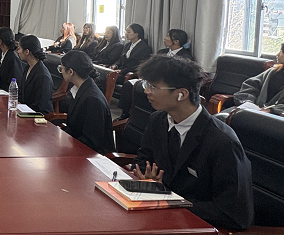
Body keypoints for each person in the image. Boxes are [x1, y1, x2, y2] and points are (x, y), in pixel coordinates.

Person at [132, 55, 253, 230]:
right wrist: (147, 180)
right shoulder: (158, 120)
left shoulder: (222, 142)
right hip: (161, 214)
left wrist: (169, 199)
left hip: (198, 224)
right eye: (146, 85)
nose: (146, 91)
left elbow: (233, 214)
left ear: (181, 94)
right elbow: (143, 160)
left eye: (153, 87)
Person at [116, 28, 195, 121]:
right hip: (152, 80)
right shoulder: (162, 52)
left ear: (176, 41)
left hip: (167, 84)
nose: (165, 39)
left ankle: (149, 117)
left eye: (167, 36)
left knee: (152, 91)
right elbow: (151, 67)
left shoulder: (185, 57)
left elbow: (178, 76)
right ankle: (126, 114)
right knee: (129, 85)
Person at [58, 50, 114, 154]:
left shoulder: (92, 99)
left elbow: (91, 142)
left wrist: (64, 145)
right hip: (77, 144)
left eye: (61, 69)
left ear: (71, 71)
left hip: (92, 155)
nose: (61, 72)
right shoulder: (80, 89)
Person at [232, 42, 284, 115]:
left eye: (281, 52)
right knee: (221, 117)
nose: (277, 54)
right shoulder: (273, 71)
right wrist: (249, 101)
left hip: (274, 117)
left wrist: (271, 110)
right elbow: (251, 85)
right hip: (252, 110)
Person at [16, 35, 54, 114]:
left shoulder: (43, 75)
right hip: (25, 109)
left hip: (39, 115)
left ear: (26, 51)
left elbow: (39, 106)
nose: (17, 51)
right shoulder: (28, 67)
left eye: (19, 48)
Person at [0, 27, 24, 92]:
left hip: (8, 92)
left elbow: (16, 81)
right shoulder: (1, 53)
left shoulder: (13, 58)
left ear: (0, 41)